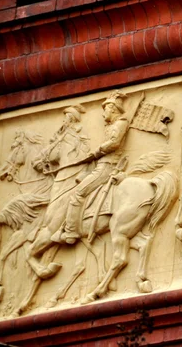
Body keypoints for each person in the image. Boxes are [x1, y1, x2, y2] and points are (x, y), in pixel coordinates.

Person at [53, 91, 129, 244]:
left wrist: (97, 152)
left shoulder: (121, 123)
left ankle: (71, 232)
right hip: (100, 165)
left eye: (105, 109)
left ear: (113, 109)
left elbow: (114, 143)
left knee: (78, 194)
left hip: (107, 167)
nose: (103, 114)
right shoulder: (113, 125)